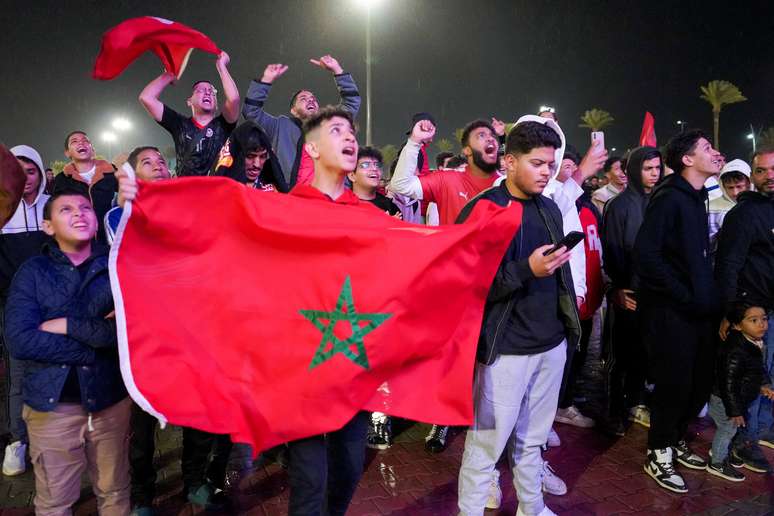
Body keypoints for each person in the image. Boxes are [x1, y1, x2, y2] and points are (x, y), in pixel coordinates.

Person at [456, 121, 580, 516]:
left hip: (551, 344)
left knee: (533, 440)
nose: (547, 171)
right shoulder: (483, 210)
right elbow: (464, 285)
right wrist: (526, 269)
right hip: (504, 350)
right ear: (509, 162)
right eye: (538, 163)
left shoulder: (549, 207)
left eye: (551, 163)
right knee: (486, 445)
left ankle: (533, 507)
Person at [109, 147, 235, 513]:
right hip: (147, 337)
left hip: (193, 332)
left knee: (197, 409)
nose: (159, 166)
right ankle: (143, 495)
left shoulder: (191, 215)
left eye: (162, 161)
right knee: (144, 422)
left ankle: (194, 482)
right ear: (133, 175)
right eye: (148, 162)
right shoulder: (119, 215)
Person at [4, 190, 131, 515]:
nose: (79, 213)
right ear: (47, 226)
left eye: (86, 207)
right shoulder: (32, 273)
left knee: (115, 493)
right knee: (54, 502)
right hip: (51, 408)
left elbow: (127, 333)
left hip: (108, 403)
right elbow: (20, 340)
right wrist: (95, 341)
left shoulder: (115, 269)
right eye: (66, 209)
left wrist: (68, 325)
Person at [284, 105, 369, 516]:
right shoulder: (286, 211)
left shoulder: (370, 218)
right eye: (337, 131)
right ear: (313, 149)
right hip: (299, 370)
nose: (350, 138)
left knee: (349, 470)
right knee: (308, 482)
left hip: (351, 366)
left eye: (351, 132)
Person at [635, 130, 722, 493]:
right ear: (687, 159)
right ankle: (658, 451)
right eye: (707, 148)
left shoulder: (697, 197)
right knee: (674, 382)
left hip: (699, 311)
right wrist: (684, 295)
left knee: (699, 380)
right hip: (671, 311)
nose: (716, 153)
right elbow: (647, 254)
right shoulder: (669, 198)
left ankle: (675, 439)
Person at [716, 144, 774, 473]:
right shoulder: (743, 213)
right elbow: (728, 264)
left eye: (773, 169)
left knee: (769, 374)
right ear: (753, 177)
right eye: (762, 171)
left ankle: (761, 431)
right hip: (753, 311)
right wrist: (731, 311)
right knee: (751, 378)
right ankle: (744, 440)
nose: (769, 177)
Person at [601, 146, 663, 435]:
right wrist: (616, 288)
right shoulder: (620, 205)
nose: (654, 174)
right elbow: (612, 251)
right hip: (627, 292)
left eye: (657, 168)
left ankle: (636, 402)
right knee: (619, 356)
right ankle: (613, 411)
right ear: (634, 170)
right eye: (648, 168)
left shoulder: (660, 203)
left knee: (646, 352)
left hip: (655, 293)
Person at [0, 145, 50, 477]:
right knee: (18, 375)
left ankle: (51, 437)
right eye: (19, 173)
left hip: (53, 304)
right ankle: (18, 440)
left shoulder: (54, 206)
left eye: (31, 172)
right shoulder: (1, 211)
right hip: (15, 307)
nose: (26, 179)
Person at [243, 55, 361, 188]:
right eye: (303, 98)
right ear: (293, 110)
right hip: (292, 199)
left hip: (330, 199)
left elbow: (351, 103)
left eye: (313, 99)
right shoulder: (280, 126)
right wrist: (266, 81)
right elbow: (251, 112)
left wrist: (338, 70)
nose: (311, 100)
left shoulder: (331, 125)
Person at [139, 51, 240, 177]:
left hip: (216, 192)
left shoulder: (223, 124)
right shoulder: (179, 124)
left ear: (216, 103)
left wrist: (222, 66)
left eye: (211, 92)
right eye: (200, 90)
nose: (207, 93)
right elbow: (146, 98)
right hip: (186, 192)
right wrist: (169, 75)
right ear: (189, 101)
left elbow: (234, 99)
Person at [708, 303, 773, 482]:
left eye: (764, 319)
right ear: (737, 325)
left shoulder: (754, 342)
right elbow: (728, 383)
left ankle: (722, 450)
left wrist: (763, 385)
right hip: (725, 400)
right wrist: (734, 410)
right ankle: (717, 462)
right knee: (728, 429)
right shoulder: (735, 349)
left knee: (732, 429)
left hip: (737, 399)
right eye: (754, 320)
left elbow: (755, 370)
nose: (761, 324)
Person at [52, 131, 117, 244]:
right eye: (74, 141)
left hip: (111, 243)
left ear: (92, 149)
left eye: (85, 141)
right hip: (80, 245)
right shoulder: (62, 180)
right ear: (67, 153)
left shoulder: (112, 173)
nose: (81, 143)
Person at [214, 121, 288, 192]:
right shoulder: (220, 191)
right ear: (237, 154)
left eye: (263, 156)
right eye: (250, 156)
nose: (257, 165)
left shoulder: (273, 192)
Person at [708, 159, 751, 254]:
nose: (735, 193)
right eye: (730, 187)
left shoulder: (760, 204)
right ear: (722, 186)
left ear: (749, 183)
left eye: (739, 186)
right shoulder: (711, 208)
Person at [348, 147, 399, 216]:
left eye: (377, 165)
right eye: (365, 165)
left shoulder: (390, 206)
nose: (374, 169)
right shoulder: (342, 206)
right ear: (352, 176)